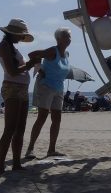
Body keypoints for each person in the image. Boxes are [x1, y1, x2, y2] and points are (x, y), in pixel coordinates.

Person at [0, 18, 38, 174]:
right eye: (21, 35)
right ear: (13, 33)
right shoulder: (4, 46)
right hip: (12, 88)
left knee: (20, 128)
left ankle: (16, 163)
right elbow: (12, 71)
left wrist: (29, 65)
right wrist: (29, 64)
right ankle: (0, 165)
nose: (22, 38)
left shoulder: (11, 46)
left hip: (22, 89)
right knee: (10, 128)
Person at [24, 28, 71, 159]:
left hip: (59, 88)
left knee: (57, 119)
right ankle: (30, 149)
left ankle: (51, 150)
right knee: (42, 117)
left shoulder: (66, 54)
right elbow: (32, 54)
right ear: (59, 39)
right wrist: (39, 69)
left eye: (70, 37)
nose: (69, 39)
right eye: (66, 36)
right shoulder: (52, 51)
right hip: (46, 86)